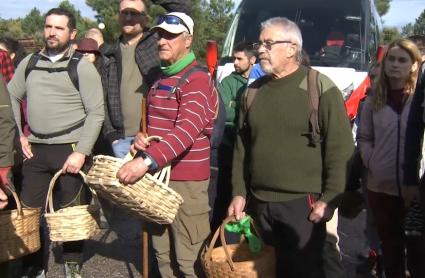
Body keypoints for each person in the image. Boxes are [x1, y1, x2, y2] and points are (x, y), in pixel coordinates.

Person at [227, 17, 354, 277]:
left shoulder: (320, 88)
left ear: (292, 48)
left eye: (268, 43)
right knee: (266, 271)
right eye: (259, 43)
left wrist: (330, 199)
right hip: (259, 204)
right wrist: (239, 192)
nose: (260, 49)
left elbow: (340, 151)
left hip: (303, 208)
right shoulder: (252, 93)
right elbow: (241, 148)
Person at [117, 12, 218, 277]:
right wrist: (142, 137)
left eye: (171, 36)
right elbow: (153, 126)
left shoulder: (197, 80)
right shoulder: (161, 79)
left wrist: (145, 161)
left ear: (188, 41)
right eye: (161, 35)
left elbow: (186, 131)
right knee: (163, 256)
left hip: (186, 183)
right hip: (157, 181)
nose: (162, 41)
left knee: (189, 261)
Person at [7, 7, 104, 278]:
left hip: (70, 149)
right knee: (29, 214)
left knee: (71, 214)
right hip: (35, 150)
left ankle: (72, 268)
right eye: (48, 26)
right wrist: (19, 134)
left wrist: (82, 152)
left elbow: (97, 112)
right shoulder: (29, 63)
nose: (51, 32)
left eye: (59, 28)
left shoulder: (82, 68)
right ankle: (33, 267)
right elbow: (11, 96)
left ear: (72, 33)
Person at [358, 38, 425, 278]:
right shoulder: (373, 100)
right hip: (381, 187)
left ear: (415, 65)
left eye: (402, 60)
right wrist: (371, 160)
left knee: (418, 253)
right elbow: (364, 137)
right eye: (391, 59)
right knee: (391, 250)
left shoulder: (420, 100)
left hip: (416, 189)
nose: (395, 65)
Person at [103, 0, 190, 158]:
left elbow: (183, 9)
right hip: (120, 142)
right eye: (124, 12)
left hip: (151, 138)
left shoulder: (155, 40)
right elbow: (102, 98)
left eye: (134, 13)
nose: (128, 17)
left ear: (146, 18)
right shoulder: (108, 53)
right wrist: (112, 136)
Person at [213, 42, 256, 228]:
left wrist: (236, 105)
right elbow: (223, 111)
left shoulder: (260, 81)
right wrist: (244, 109)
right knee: (223, 194)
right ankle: (216, 236)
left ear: (252, 60)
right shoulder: (228, 81)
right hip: (228, 146)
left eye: (239, 59)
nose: (235, 63)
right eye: (233, 59)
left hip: (252, 148)